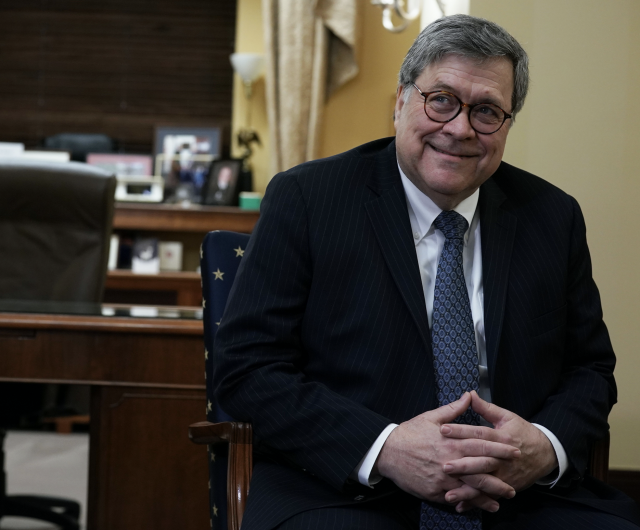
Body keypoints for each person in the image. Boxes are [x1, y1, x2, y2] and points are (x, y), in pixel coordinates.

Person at [213, 14, 640, 530]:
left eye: (487, 111)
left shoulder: (552, 216)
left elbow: (590, 370)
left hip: (515, 493)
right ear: (400, 101)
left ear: (507, 124)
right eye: (441, 100)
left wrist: (543, 446)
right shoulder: (307, 198)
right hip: (351, 489)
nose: (459, 129)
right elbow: (247, 368)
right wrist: (386, 447)